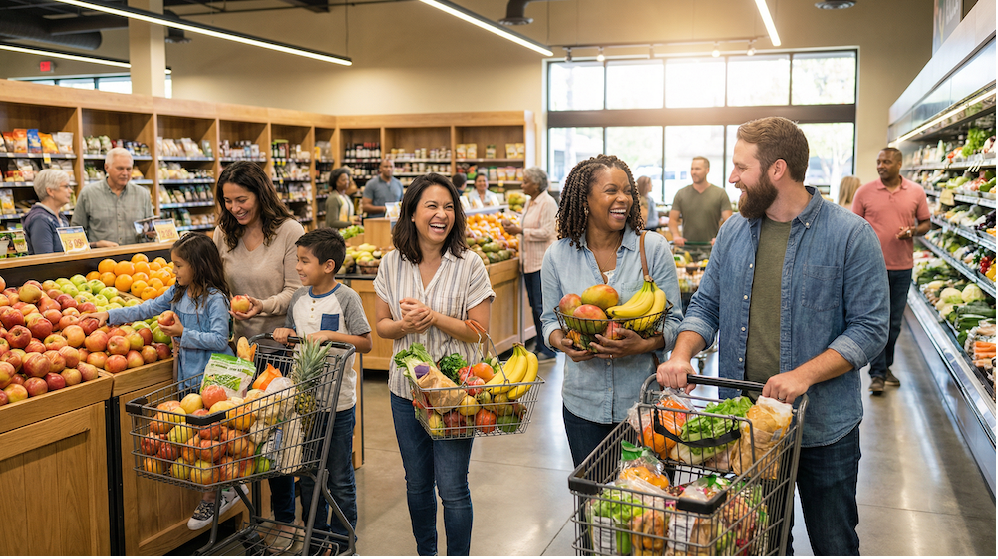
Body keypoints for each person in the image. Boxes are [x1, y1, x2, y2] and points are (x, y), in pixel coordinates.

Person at [656, 117, 889, 556]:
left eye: (742, 167)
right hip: (749, 427)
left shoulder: (850, 236)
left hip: (823, 427)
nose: (732, 177)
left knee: (834, 543)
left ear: (777, 169)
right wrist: (682, 354)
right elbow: (706, 306)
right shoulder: (734, 232)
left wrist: (804, 375)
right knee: (761, 542)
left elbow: (870, 327)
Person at [81, 233, 239, 530]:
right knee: (198, 443)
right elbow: (146, 307)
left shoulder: (215, 299)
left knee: (210, 442)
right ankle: (223, 489)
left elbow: (220, 340)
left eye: (178, 265)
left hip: (213, 382)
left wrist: (182, 333)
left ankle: (215, 495)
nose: (173, 270)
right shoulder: (178, 293)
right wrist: (109, 315)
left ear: (198, 266)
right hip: (187, 380)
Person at [373, 173, 494, 556]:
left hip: (456, 395)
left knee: (453, 487)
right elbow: (382, 325)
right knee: (417, 483)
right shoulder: (391, 263)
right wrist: (404, 326)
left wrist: (434, 317)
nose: (441, 214)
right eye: (431, 206)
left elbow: (479, 333)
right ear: (411, 213)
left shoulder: (470, 264)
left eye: (448, 207)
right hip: (405, 392)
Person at [539, 154, 684, 467]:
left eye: (628, 191)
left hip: (644, 406)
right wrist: (562, 342)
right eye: (611, 190)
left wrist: (642, 345)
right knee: (592, 493)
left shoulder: (652, 248)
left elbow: (675, 323)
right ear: (585, 200)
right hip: (582, 405)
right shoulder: (557, 256)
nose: (624, 199)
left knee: (648, 495)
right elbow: (549, 320)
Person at [211, 161, 305, 550]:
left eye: (242, 199)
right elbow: (217, 286)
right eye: (227, 200)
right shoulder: (223, 233)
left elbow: (297, 290)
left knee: (275, 444)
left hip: (279, 353)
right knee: (239, 442)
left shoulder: (289, 232)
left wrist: (261, 305)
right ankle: (251, 515)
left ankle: (285, 522)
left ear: (260, 193)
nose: (234, 208)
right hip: (238, 355)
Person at [272, 228, 373, 554]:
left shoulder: (347, 298)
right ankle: (316, 539)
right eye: (297, 260)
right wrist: (286, 333)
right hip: (305, 404)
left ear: (328, 265)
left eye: (304, 261)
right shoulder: (299, 299)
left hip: (338, 404)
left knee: (340, 477)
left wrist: (332, 336)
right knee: (309, 474)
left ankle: (343, 542)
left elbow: (366, 343)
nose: (298, 267)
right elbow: (294, 334)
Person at [852, 148, 930, 395]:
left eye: (886, 162)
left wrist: (913, 231)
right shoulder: (864, 191)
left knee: (894, 323)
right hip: (871, 268)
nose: (880, 166)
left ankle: (885, 367)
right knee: (877, 320)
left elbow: (926, 223)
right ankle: (877, 373)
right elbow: (852, 227)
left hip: (902, 267)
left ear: (899, 164)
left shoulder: (916, 191)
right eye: (878, 161)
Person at [501, 167, 558, 361]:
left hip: (541, 263)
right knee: (535, 306)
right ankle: (541, 346)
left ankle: (548, 349)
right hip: (528, 262)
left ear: (536, 184)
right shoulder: (529, 202)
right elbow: (527, 224)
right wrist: (514, 226)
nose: (522, 185)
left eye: (525, 182)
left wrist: (520, 231)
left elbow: (547, 232)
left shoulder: (547, 203)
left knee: (541, 307)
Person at [71, 147, 153, 247]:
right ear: (106, 168)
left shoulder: (143, 194)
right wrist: (95, 245)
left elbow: (149, 233)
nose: (125, 173)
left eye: (129, 169)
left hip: (136, 255)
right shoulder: (88, 193)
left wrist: (151, 235)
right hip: (100, 256)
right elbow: (75, 234)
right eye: (120, 168)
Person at [668, 156, 732, 251]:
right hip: (687, 248)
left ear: (707, 170)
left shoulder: (720, 193)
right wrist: (676, 236)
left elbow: (729, 221)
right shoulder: (681, 193)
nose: (693, 172)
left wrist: (721, 237)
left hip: (712, 248)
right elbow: (672, 219)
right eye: (692, 169)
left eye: (697, 169)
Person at [24, 169, 72, 254]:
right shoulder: (39, 219)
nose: (70, 191)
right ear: (50, 191)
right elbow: (45, 257)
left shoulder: (61, 217)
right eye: (66, 186)